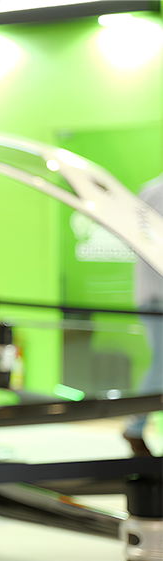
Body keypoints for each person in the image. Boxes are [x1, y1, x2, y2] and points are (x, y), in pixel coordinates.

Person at [124, 174, 163, 456]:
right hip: (157, 297)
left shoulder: (150, 191)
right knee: (161, 365)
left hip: (153, 295)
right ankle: (134, 427)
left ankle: (135, 427)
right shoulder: (155, 192)